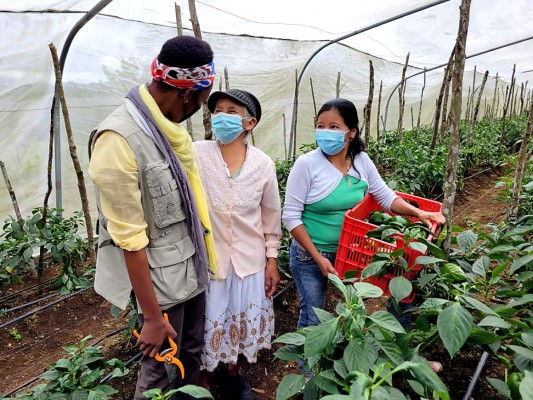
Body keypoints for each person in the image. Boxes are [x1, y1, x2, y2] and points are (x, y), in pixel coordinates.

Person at [88, 36, 219, 399]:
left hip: (189, 266)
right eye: (203, 102)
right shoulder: (119, 139)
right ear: (188, 94)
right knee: (161, 368)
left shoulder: (165, 128)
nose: (199, 111)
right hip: (159, 283)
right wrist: (151, 317)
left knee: (190, 352)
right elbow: (129, 238)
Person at [282, 98, 445, 370]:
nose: (326, 132)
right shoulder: (306, 164)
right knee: (314, 314)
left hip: (351, 250)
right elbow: (290, 216)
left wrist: (419, 214)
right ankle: (308, 373)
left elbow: (384, 196)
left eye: (334, 126)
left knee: (357, 308)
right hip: (311, 254)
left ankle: (370, 362)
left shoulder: (361, 161)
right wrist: (318, 258)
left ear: (352, 132)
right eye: (321, 126)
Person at [193, 89, 282, 399]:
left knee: (245, 318)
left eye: (232, 111)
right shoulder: (197, 154)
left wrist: (272, 260)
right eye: (217, 109)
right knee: (209, 320)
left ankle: (233, 374)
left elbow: (271, 217)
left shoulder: (263, 164)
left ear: (250, 123)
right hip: (210, 260)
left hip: (250, 262)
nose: (221, 115)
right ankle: (203, 380)